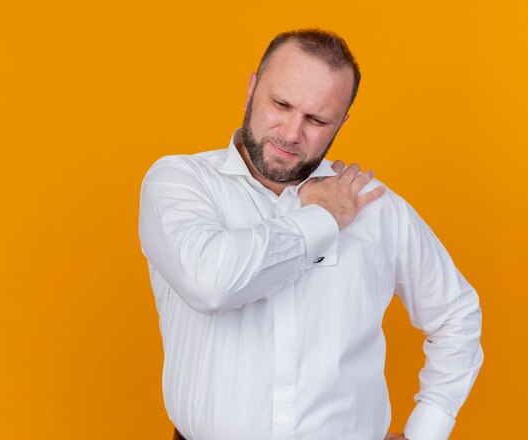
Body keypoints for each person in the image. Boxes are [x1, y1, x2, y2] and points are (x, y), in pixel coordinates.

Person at [138, 29, 483, 440]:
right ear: (252, 88)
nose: (291, 133)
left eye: (317, 119)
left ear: (341, 122)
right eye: (280, 104)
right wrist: (321, 219)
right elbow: (211, 284)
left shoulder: (377, 209)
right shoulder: (180, 183)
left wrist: (426, 430)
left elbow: (457, 314)